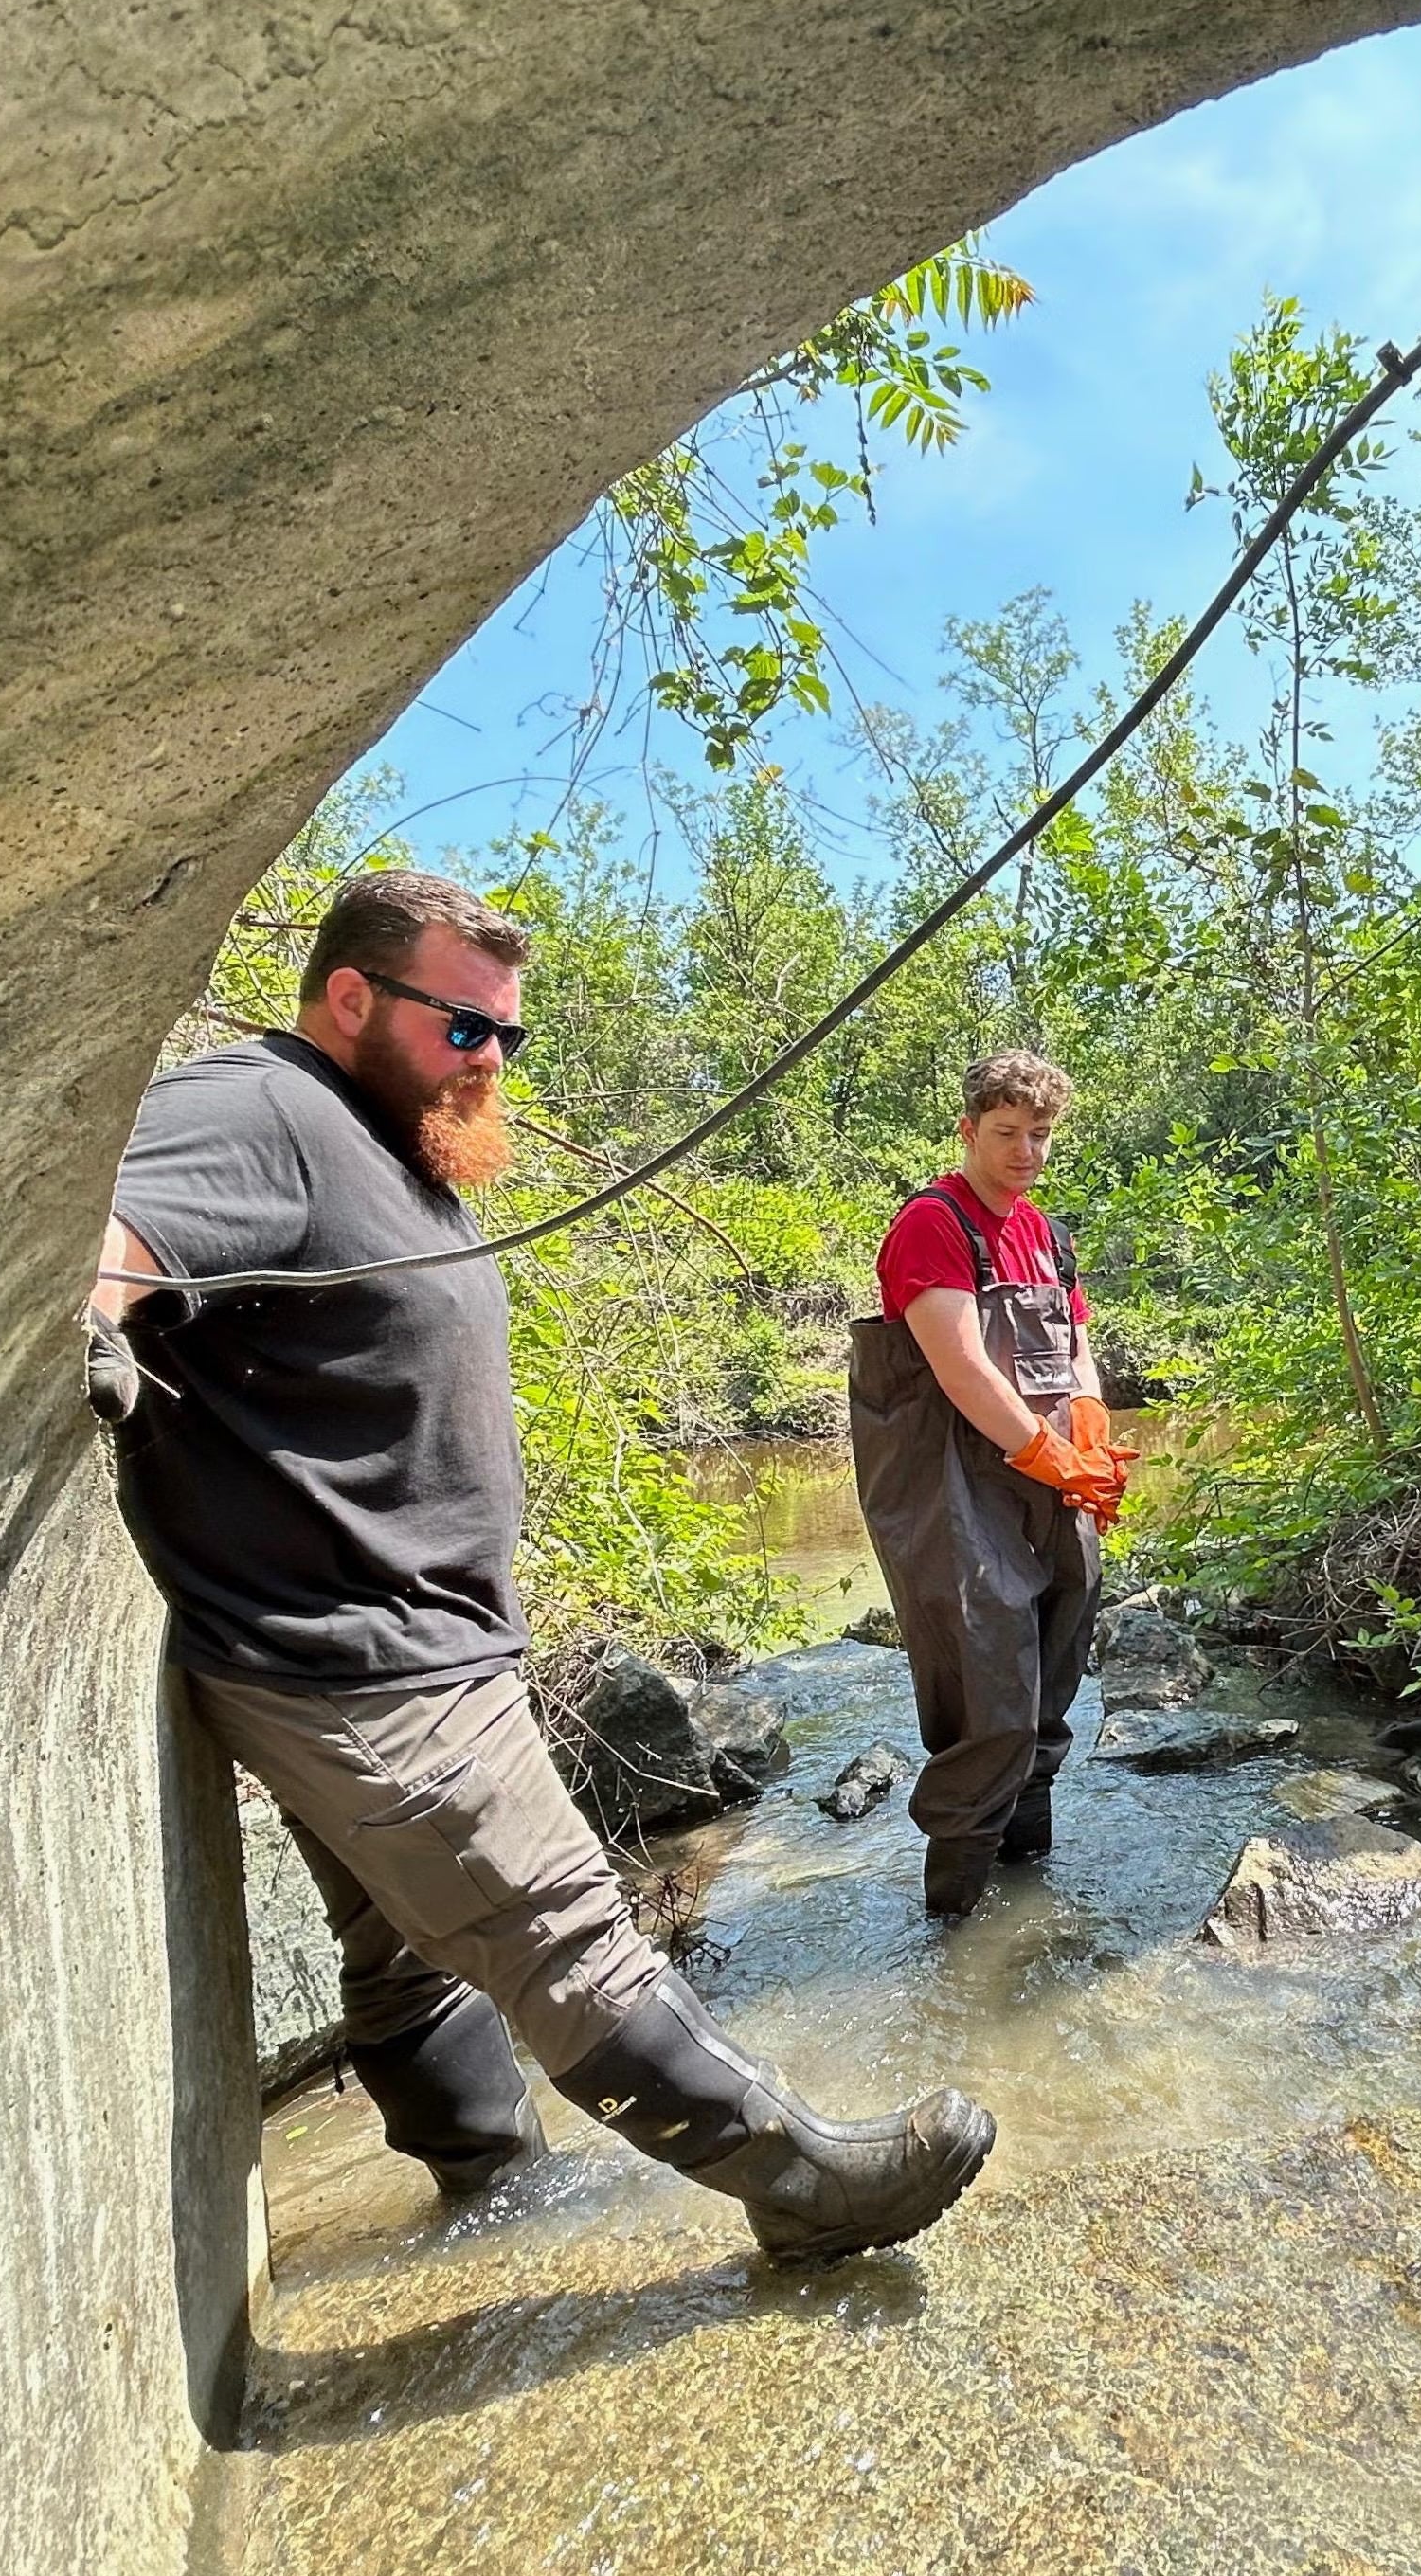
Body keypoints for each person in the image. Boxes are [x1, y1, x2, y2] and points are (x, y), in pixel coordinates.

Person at [86, 868, 995, 2264]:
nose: (492, 1061)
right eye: (467, 1028)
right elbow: (111, 1239)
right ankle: (807, 2186)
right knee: (567, 1935)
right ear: (350, 996)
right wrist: (93, 1324)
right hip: (360, 1658)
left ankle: (490, 2197)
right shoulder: (261, 1109)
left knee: (402, 1953)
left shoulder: (379, 1137)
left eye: (512, 1035)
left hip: (409, 1635)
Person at [850, 1051, 1129, 1923]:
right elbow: (964, 1367)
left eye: (1039, 1134)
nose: (1025, 1151)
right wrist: (1050, 1457)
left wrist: (1088, 1421)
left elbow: (1076, 1344)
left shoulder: (1045, 1232)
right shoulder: (933, 1224)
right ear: (969, 1129)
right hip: (952, 1491)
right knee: (990, 1690)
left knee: (1053, 1668)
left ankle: (1028, 1882)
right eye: (1006, 1133)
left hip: (1045, 1479)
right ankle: (955, 1919)